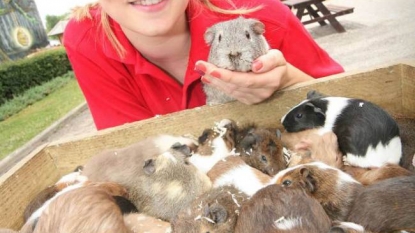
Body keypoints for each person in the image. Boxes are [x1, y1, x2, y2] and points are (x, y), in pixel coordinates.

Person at [63, 0, 344, 130]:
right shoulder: (86, 40)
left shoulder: (262, 15)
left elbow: (360, 108)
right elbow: (132, 150)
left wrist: (288, 82)